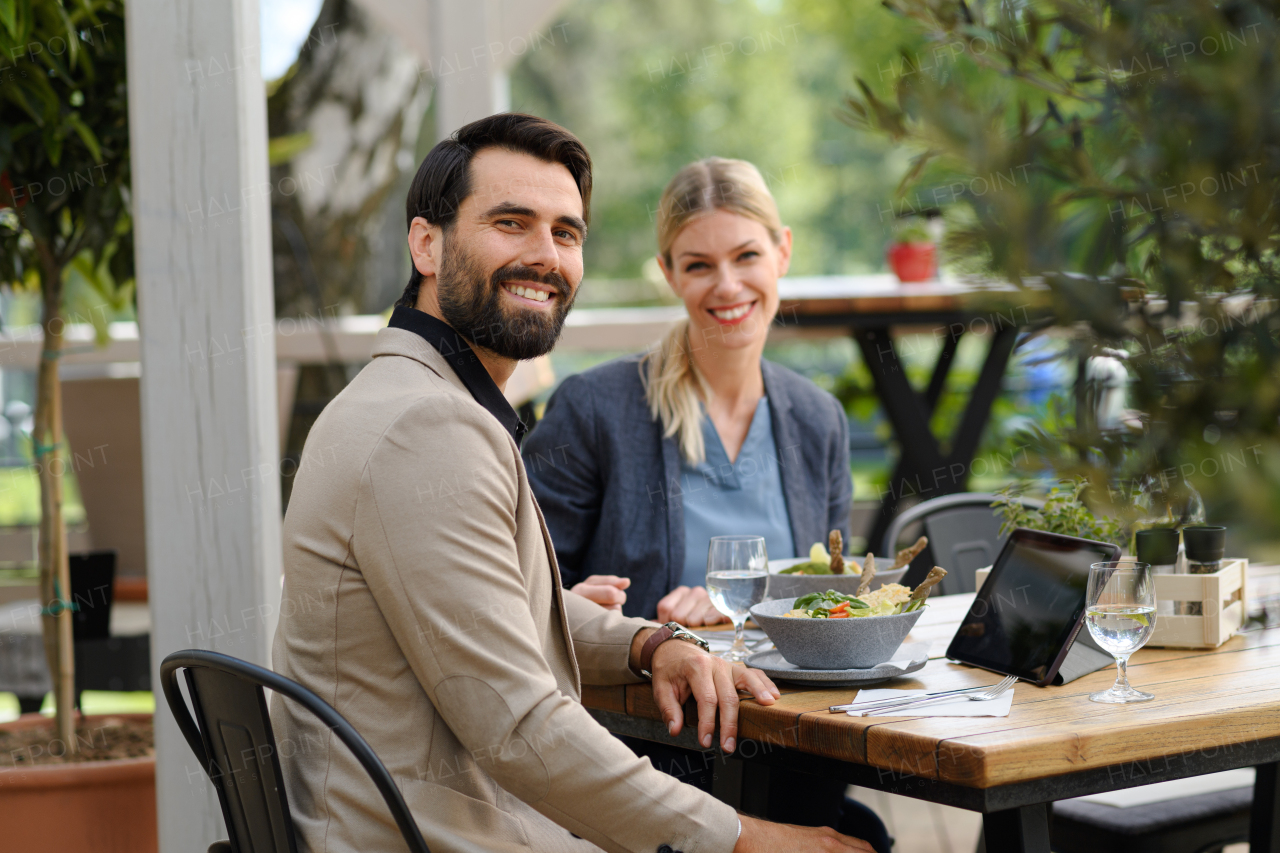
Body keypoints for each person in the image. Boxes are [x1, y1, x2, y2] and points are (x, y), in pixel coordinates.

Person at [271, 114, 872, 853]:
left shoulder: (405, 399)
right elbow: (521, 727)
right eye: (510, 222)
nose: (544, 255)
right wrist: (749, 841)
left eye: (566, 232)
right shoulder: (428, 429)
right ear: (426, 243)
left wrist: (651, 642)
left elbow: (501, 607)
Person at [523, 157, 889, 851]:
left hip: (794, 747)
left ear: (781, 252)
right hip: (652, 758)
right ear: (668, 273)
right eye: (698, 265)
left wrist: (743, 609)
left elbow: (833, 599)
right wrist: (587, 601)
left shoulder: (818, 420)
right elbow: (515, 591)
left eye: (747, 255)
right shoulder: (596, 409)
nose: (727, 286)